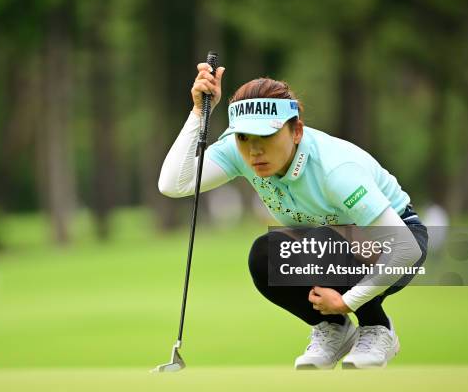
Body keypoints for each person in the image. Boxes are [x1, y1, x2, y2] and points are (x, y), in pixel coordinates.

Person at [158, 62, 428, 369]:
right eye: (244, 137)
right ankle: (335, 329)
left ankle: (378, 328)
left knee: (321, 242)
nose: (254, 151)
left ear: (296, 130)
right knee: (265, 254)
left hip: (398, 242)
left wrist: (348, 301)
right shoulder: (240, 152)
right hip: (326, 243)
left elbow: (407, 248)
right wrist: (199, 113)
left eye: (266, 136)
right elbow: (173, 184)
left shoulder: (336, 170)